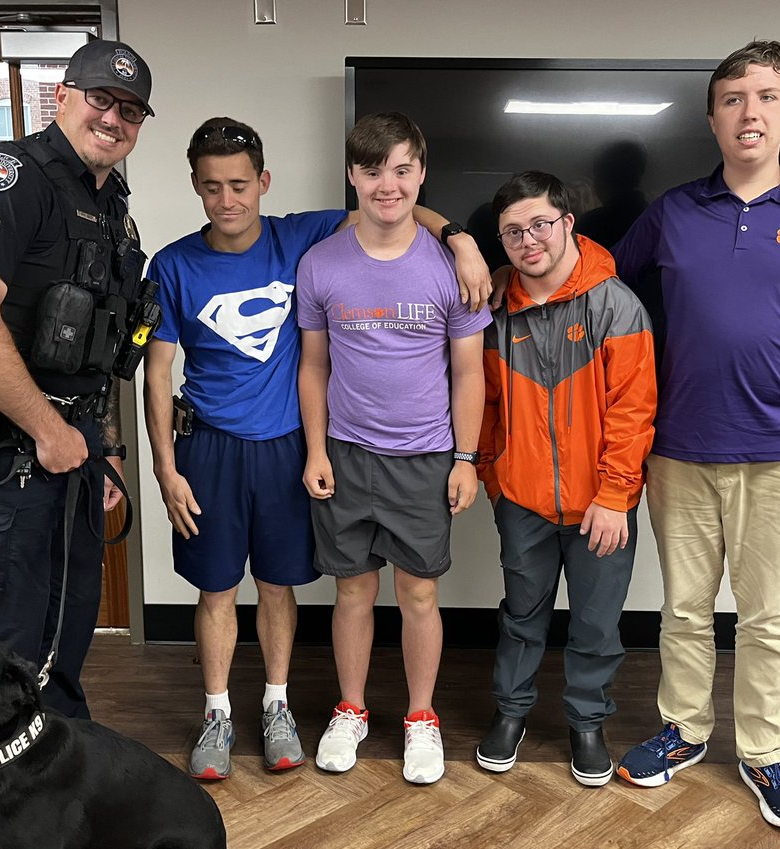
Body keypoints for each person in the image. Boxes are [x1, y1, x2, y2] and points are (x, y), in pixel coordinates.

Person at [143, 118, 491, 780]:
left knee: (285, 585)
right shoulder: (183, 265)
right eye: (212, 187)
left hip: (300, 449)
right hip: (226, 449)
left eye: (240, 184)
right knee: (224, 588)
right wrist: (165, 467)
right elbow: (160, 371)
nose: (227, 200)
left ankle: (286, 706)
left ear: (263, 183)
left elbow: (398, 202)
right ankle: (219, 713)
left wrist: (462, 238)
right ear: (196, 187)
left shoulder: (302, 237)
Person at [613, 40, 780, 829]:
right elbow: (603, 290)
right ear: (712, 116)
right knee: (684, 610)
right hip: (679, 447)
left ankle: (764, 754)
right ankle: (684, 732)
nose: (748, 112)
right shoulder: (673, 213)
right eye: (732, 99)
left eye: (765, 97)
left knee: (767, 617)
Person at [0, 40, 155, 718]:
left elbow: (100, 345)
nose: (114, 118)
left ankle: (53, 786)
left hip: (68, 451)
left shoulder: (111, 206)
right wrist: (50, 430)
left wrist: (102, 442)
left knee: (62, 632)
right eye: (101, 99)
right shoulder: (10, 176)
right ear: (64, 97)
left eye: (132, 110)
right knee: (1, 653)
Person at [296, 112, 491, 785]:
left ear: (421, 173)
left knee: (418, 593)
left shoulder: (450, 267)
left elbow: (470, 372)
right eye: (374, 170)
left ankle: (420, 718)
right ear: (353, 174)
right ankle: (351, 709)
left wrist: (466, 458)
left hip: (426, 458)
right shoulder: (321, 262)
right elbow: (313, 366)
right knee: (351, 591)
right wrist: (316, 451)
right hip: (346, 454)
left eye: (402, 169)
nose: (388, 185)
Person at [475, 171, 656, 787]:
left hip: (600, 507)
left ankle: (587, 721)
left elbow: (634, 413)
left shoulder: (616, 305)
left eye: (540, 225)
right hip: (521, 502)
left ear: (568, 223)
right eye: (513, 233)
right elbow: (486, 407)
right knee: (521, 615)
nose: (530, 241)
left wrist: (614, 497)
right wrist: (494, 479)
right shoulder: (495, 314)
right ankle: (512, 713)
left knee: (596, 623)